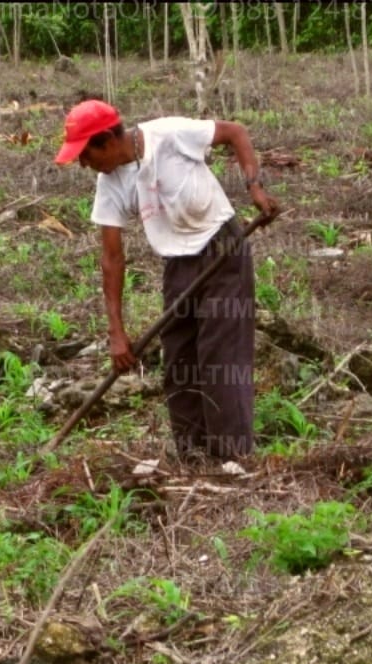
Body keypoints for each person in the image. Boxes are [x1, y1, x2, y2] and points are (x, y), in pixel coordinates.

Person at [54, 99, 279, 463]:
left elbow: (235, 132)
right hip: (177, 264)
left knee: (220, 359)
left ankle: (232, 460)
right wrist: (117, 332)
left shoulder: (170, 135)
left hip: (222, 250)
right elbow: (111, 258)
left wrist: (254, 188)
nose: (83, 164)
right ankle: (193, 457)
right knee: (179, 361)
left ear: (107, 141)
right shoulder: (109, 183)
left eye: (85, 154)